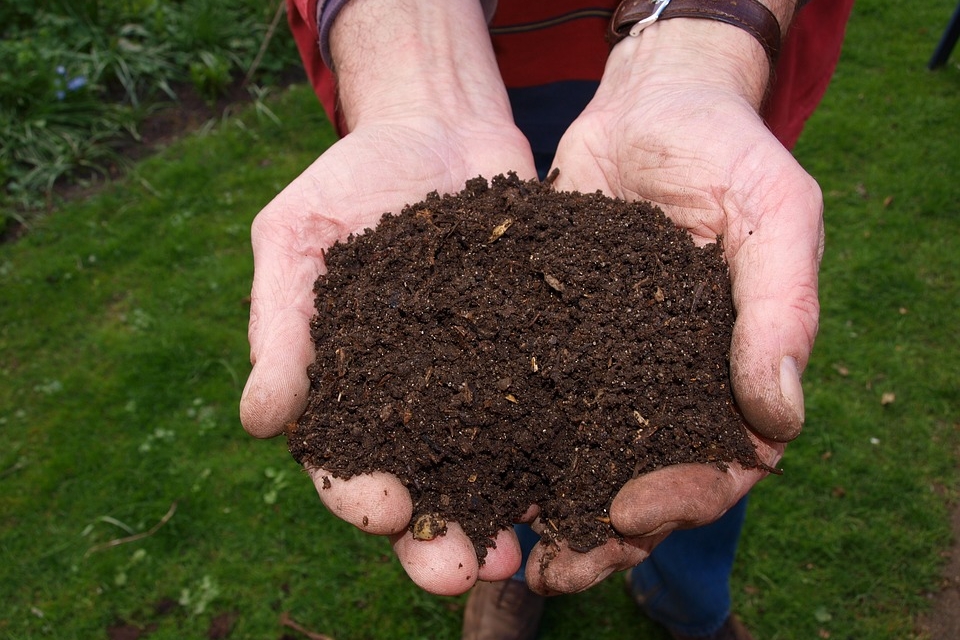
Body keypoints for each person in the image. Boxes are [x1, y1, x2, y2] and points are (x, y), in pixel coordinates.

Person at [240, 0, 854, 638]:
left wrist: (702, 48)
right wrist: (415, 63)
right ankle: (512, 574)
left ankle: (690, 602)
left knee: (708, 421)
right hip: (482, 50)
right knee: (505, 467)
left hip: (712, 51)